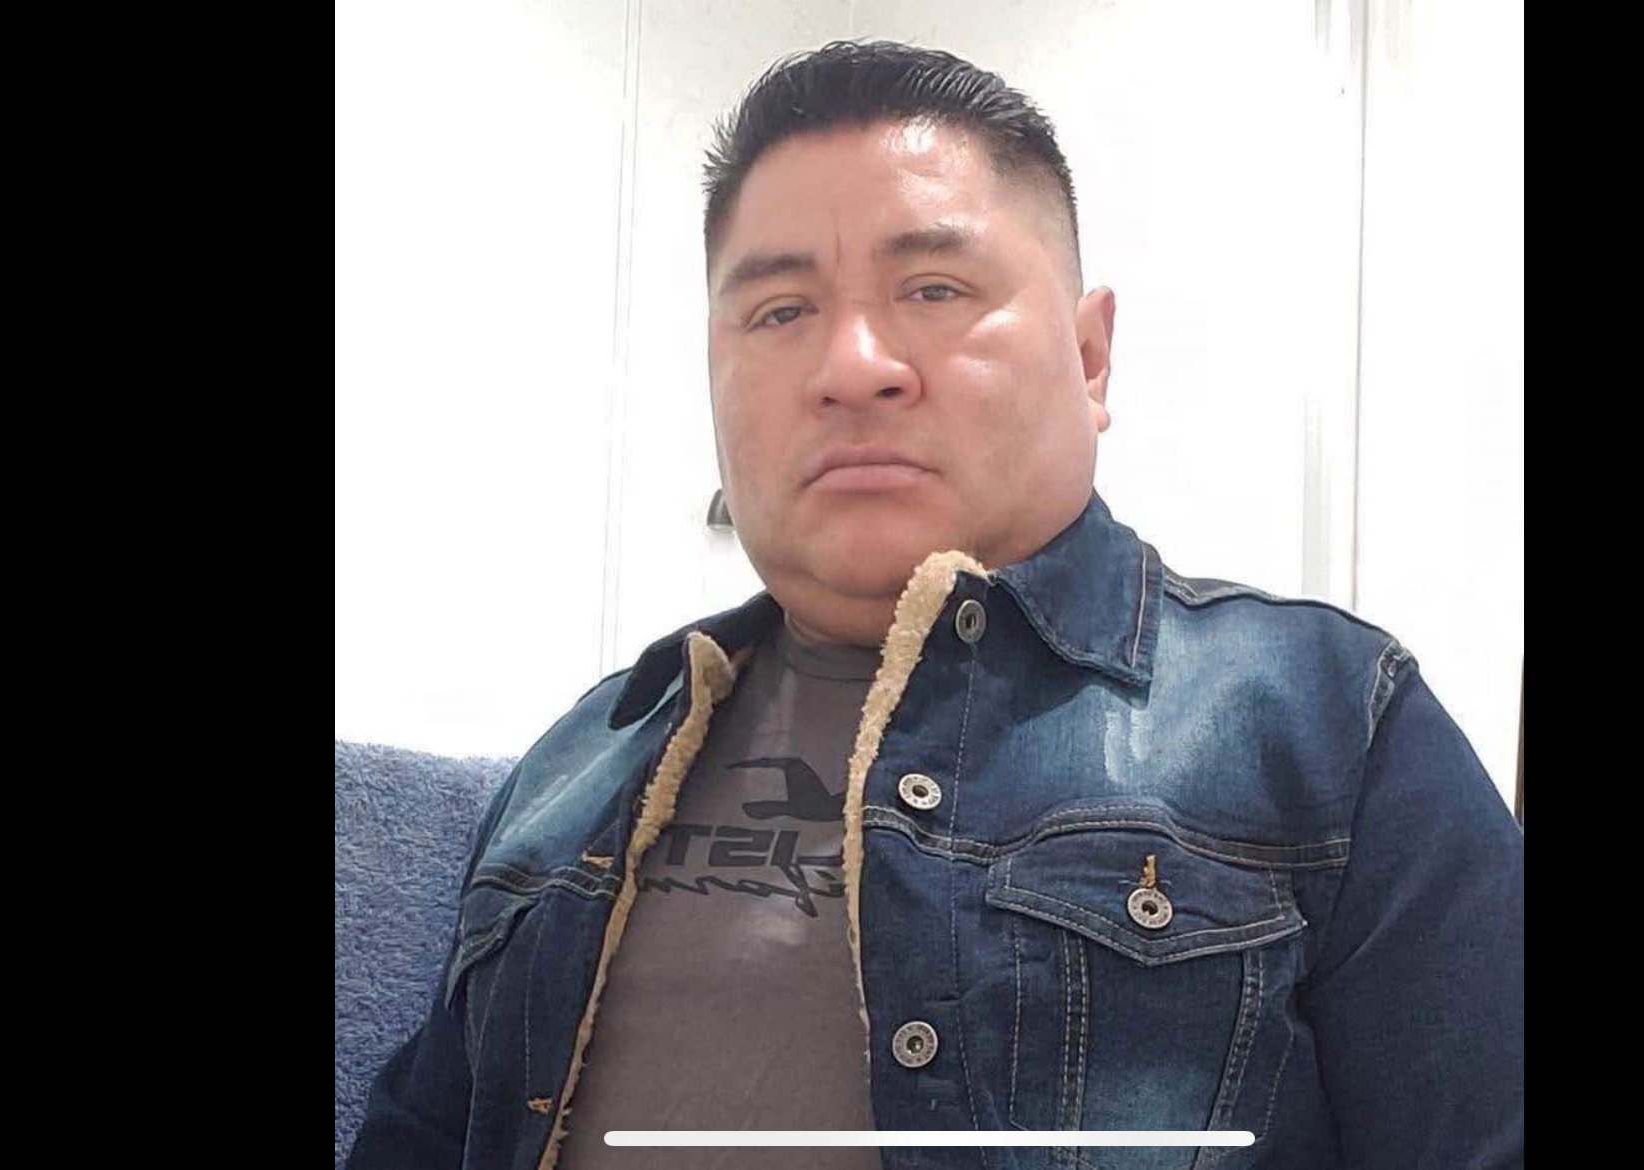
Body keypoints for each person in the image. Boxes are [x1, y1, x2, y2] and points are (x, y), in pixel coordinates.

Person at [347, 39, 1523, 1170]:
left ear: (1090, 356)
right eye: (780, 311)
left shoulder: (1330, 721)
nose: (852, 365)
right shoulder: (578, 761)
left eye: (934, 287)